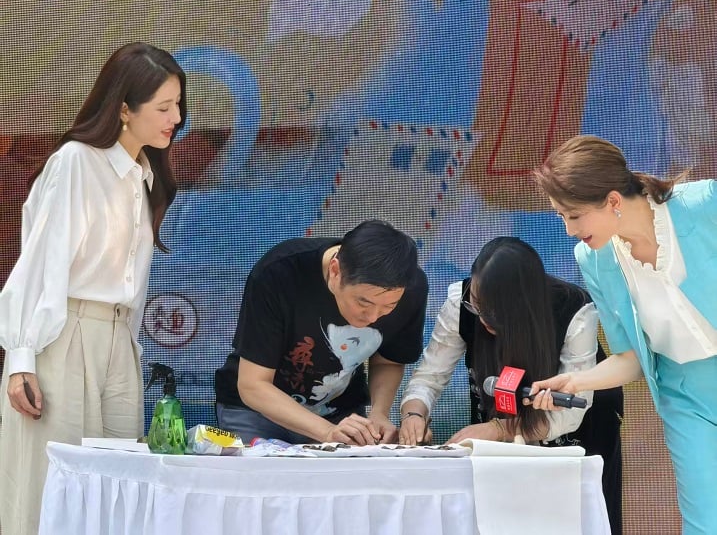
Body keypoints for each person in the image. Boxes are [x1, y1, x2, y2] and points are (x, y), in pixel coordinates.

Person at [0, 42, 186, 534]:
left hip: (119, 344)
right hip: (65, 336)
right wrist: (21, 358)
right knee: (50, 489)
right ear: (124, 108)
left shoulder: (146, 177)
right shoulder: (76, 162)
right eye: (163, 107)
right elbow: (38, 264)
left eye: (178, 105)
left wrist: (128, 349)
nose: (176, 118)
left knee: (116, 492)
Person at [530, 134, 717, 534]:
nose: (568, 230)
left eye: (574, 216)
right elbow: (629, 358)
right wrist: (575, 381)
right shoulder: (593, 259)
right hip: (687, 398)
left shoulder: (705, 204)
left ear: (613, 200)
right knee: (705, 524)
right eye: (561, 217)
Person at [399, 237, 624, 534]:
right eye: (477, 303)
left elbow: (571, 415)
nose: (482, 317)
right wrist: (414, 413)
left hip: (576, 436)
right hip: (498, 439)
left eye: (494, 312)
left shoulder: (574, 311)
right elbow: (430, 376)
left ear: (524, 305)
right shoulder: (461, 303)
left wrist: (498, 429)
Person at [215, 219, 428, 446]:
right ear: (335, 271)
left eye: (389, 306)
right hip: (256, 411)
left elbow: (388, 361)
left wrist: (378, 414)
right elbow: (253, 385)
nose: (373, 317)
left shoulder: (411, 288)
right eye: (363, 303)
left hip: (340, 414)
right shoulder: (279, 273)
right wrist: (327, 432)